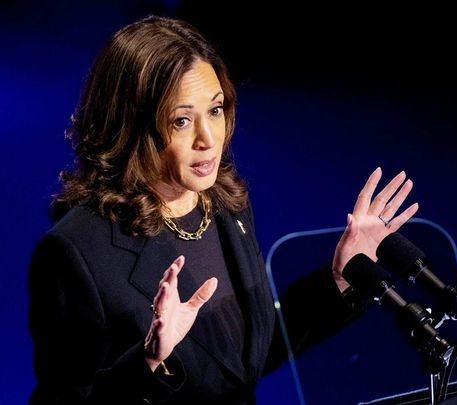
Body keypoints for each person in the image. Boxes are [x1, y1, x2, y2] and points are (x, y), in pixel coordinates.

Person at [28, 15, 418, 405]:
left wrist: (341, 276)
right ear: (132, 126)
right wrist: (149, 362)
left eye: (215, 110)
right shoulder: (76, 250)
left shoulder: (225, 202)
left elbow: (244, 358)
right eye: (181, 121)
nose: (209, 139)